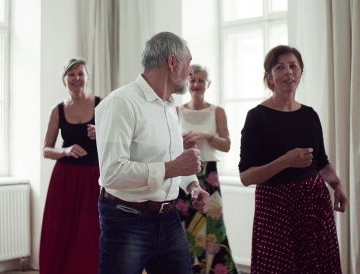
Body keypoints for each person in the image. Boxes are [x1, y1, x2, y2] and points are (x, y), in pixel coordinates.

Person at [95, 31, 211, 274]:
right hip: (126, 219)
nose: (191, 72)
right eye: (188, 63)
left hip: (168, 218)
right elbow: (112, 174)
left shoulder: (169, 106)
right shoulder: (121, 103)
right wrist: (175, 168)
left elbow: (174, 162)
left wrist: (193, 187)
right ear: (172, 62)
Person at [238, 45, 349, 274]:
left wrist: (337, 184)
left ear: (300, 74)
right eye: (280, 67)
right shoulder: (257, 117)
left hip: (312, 205)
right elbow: (246, 177)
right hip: (275, 207)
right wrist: (285, 161)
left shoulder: (309, 115)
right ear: (270, 77)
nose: (288, 72)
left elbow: (321, 162)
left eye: (293, 66)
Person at [176, 64, 239, 274]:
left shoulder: (217, 111)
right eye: (192, 80)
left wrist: (207, 136)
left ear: (208, 84)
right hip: (184, 174)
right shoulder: (176, 111)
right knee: (185, 226)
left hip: (209, 174)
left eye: (201, 80)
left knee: (213, 225)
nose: (196, 84)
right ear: (187, 82)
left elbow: (227, 145)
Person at [39, 58, 101, 274]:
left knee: (90, 231)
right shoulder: (57, 110)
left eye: (80, 74)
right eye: (71, 75)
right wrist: (64, 151)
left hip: (95, 177)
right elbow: (46, 150)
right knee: (61, 229)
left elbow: (123, 142)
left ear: (88, 77)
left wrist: (103, 134)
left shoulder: (102, 105)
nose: (76, 78)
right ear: (64, 80)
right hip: (65, 178)